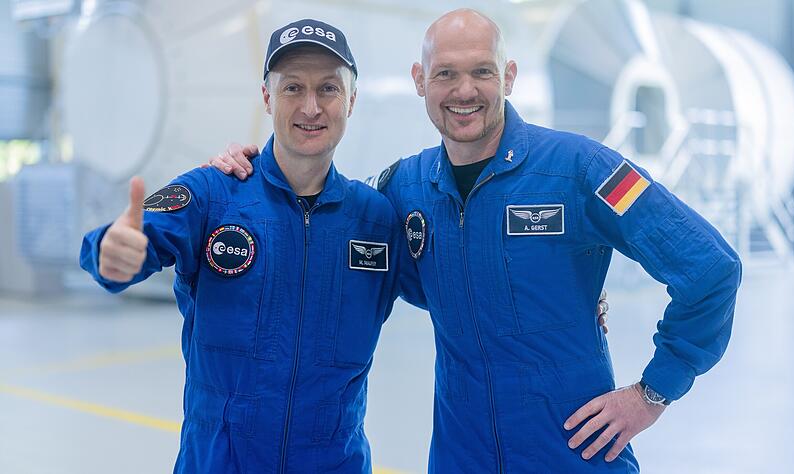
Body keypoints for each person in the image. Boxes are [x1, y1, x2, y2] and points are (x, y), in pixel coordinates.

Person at [214, 9, 739, 473]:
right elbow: (333, 225)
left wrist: (653, 393)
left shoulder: (583, 169)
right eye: (446, 74)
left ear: (508, 76)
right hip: (460, 456)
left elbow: (710, 266)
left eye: (481, 72)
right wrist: (244, 171)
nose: (464, 91)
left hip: (575, 454)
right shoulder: (404, 187)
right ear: (420, 81)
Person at [79, 19, 416, 473]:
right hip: (219, 462)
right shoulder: (211, 193)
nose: (311, 107)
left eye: (329, 89)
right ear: (266, 97)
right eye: (293, 88)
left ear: (351, 101)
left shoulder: (376, 220)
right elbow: (133, 238)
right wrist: (109, 251)